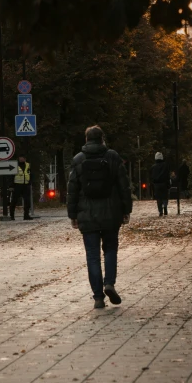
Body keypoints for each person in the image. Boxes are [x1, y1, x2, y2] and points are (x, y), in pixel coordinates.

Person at [67, 126, 132, 309]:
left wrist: (73, 215)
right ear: (103, 138)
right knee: (110, 249)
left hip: (87, 215)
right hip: (112, 213)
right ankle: (109, 283)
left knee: (92, 256)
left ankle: (98, 297)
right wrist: (126, 210)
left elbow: (72, 191)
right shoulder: (113, 157)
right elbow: (123, 185)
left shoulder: (78, 160)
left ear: (86, 139)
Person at [10, 156, 33, 220]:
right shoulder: (15, 165)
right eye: (20, 158)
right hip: (17, 185)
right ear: (18, 158)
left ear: (25, 159)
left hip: (26, 185)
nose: (21, 159)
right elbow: (12, 176)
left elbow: (31, 174)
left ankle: (26, 216)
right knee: (14, 201)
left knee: (27, 201)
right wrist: (11, 185)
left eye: (23, 158)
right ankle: (12, 216)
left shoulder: (28, 165)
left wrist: (30, 182)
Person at [151, 152, 170, 216]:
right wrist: (168, 184)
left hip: (156, 185)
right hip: (164, 183)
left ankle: (160, 211)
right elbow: (167, 175)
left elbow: (151, 177)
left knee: (158, 198)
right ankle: (165, 206)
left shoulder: (153, 167)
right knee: (165, 196)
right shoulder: (165, 165)